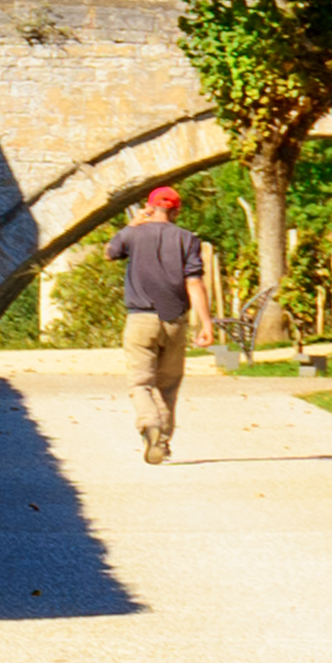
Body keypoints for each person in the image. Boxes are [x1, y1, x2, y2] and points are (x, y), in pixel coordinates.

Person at [117, 186, 213, 463]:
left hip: (140, 317)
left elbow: (110, 251)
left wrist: (133, 223)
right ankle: (164, 440)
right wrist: (205, 323)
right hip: (173, 318)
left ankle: (150, 425)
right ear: (177, 210)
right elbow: (194, 282)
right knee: (168, 384)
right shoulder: (187, 239)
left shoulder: (134, 235)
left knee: (140, 383)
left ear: (149, 207)